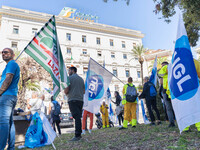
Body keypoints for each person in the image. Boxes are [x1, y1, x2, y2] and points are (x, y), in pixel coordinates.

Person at [0, 48, 20, 150]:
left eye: (6, 52)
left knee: (3, 122)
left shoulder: (12, 64)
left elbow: (8, 79)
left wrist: (0, 92)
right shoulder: (9, 65)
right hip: (11, 96)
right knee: (10, 122)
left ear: (12, 54)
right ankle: (11, 147)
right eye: (2, 52)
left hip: (6, 96)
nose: (3, 53)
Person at [64, 66, 85, 141]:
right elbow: (84, 91)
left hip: (72, 100)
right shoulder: (81, 79)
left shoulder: (69, 79)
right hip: (80, 100)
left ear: (72, 70)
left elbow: (66, 90)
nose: (68, 72)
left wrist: (66, 92)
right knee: (78, 117)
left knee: (76, 118)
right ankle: (79, 133)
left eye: (69, 70)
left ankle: (77, 135)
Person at [158, 61, 175, 127]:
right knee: (176, 107)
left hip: (166, 91)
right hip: (174, 90)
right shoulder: (173, 67)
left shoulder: (165, 67)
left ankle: (171, 123)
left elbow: (160, 74)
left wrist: (164, 67)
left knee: (168, 108)